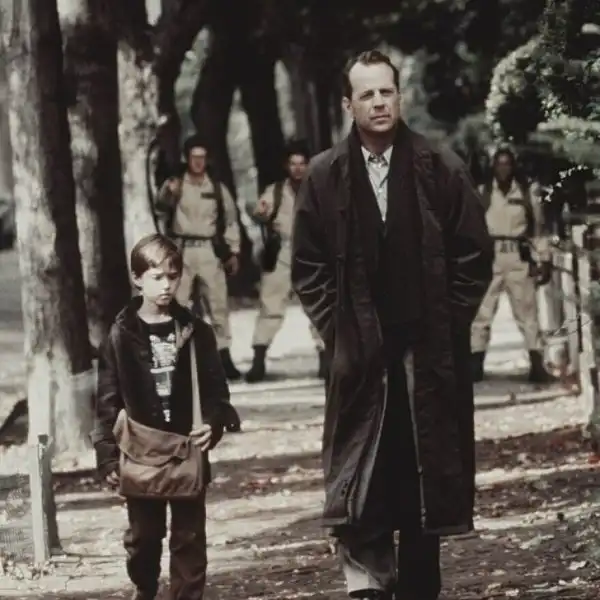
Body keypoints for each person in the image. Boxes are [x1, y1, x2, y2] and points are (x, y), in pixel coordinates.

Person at [291, 50, 494, 600]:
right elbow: (308, 266)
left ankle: (420, 589)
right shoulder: (325, 175)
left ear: (399, 96)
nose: (379, 103)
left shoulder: (439, 166)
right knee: (363, 479)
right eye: (367, 94)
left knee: (423, 483)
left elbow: (474, 255)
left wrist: (446, 322)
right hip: (359, 359)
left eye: (386, 92)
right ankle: (369, 584)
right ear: (348, 105)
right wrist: (339, 331)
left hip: (424, 358)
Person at [92, 234, 234, 600]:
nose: (167, 285)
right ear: (137, 279)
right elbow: (107, 400)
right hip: (141, 451)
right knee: (144, 537)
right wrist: (107, 453)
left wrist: (213, 423)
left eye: (173, 276)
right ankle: (145, 587)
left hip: (186, 449)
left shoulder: (196, 332)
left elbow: (217, 391)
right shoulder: (120, 335)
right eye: (157, 277)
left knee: (190, 538)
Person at [156, 134, 242, 382]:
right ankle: (180, 358)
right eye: (194, 157)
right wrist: (169, 193)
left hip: (208, 249)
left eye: (202, 157)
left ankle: (223, 356)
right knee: (178, 304)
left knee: (217, 303)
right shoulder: (176, 184)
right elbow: (160, 208)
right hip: (181, 249)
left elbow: (231, 220)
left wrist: (233, 251)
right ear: (187, 158)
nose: (198, 162)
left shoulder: (216, 188)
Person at [470, 147, 556, 383]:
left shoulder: (526, 192)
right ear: (493, 166)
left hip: (518, 256)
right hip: (490, 257)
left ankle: (537, 364)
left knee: (527, 312)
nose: (503, 169)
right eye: (499, 164)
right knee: (482, 312)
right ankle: (475, 364)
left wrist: (544, 258)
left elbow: (538, 228)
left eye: (507, 164)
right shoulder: (483, 192)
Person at [246, 140, 326, 383]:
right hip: (283, 251)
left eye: (302, 164)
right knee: (271, 305)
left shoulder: (319, 188)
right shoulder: (277, 191)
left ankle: (326, 359)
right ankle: (259, 358)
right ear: (286, 166)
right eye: (293, 164)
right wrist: (259, 212)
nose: (298, 169)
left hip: (312, 251)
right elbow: (260, 212)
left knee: (319, 305)